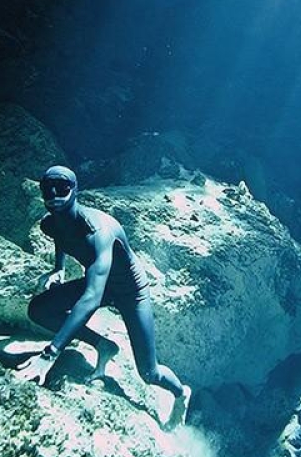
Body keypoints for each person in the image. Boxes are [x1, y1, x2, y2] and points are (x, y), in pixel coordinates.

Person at [12, 164, 191, 429]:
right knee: (38, 310)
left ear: (75, 190)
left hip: (131, 292)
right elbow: (61, 237)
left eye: (62, 188)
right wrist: (57, 269)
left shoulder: (98, 232)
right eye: (47, 189)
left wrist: (50, 353)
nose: (54, 195)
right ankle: (104, 345)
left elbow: (91, 298)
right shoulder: (50, 224)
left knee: (149, 373)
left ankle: (180, 393)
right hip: (104, 285)